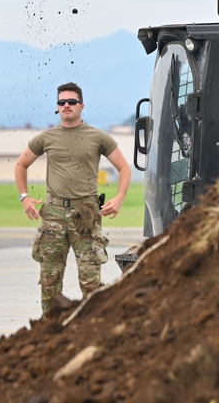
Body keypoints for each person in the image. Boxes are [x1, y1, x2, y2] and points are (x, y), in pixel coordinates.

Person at [14, 82, 132, 316]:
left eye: (71, 102)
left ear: (81, 106)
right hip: (54, 215)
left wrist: (119, 198)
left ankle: (90, 329)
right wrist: (24, 197)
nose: (66, 106)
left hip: (85, 215)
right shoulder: (46, 138)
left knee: (90, 281)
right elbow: (21, 165)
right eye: (61, 102)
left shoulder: (97, 136)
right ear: (57, 107)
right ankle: (50, 329)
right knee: (50, 280)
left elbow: (124, 168)